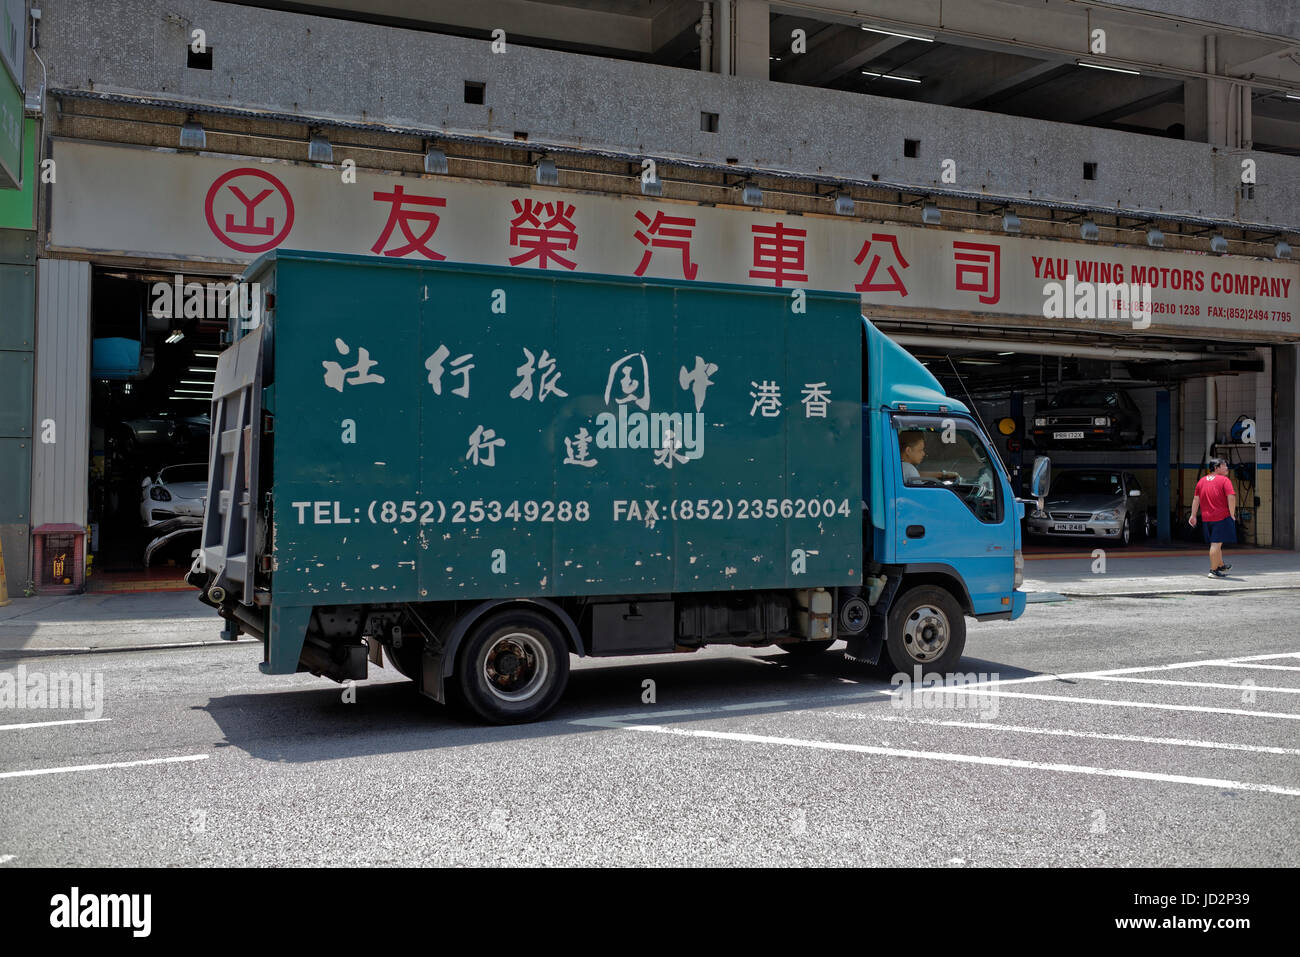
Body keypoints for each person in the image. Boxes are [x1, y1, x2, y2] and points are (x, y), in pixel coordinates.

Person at [1189, 458, 1237, 578]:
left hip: (1207, 518)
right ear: (1216, 468)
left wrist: (1193, 515)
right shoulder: (1224, 480)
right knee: (1215, 544)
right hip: (1221, 516)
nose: (1227, 468)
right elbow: (1231, 497)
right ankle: (1213, 570)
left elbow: (1196, 499)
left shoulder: (1201, 481)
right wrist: (1232, 514)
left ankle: (1220, 565)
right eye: (1224, 465)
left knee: (1217, 542)